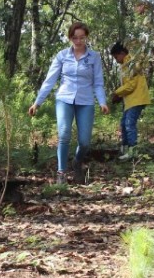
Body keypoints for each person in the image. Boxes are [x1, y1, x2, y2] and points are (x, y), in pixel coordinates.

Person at [29, 22, 109, 184]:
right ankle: (61, 173)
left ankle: (77, 161)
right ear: (70, 38)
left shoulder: (94, 57)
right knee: (64, 134)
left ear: (86, 37)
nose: (78, 41)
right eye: (75, 38)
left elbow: (98, 82)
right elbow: (49, 81)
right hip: (64, 99)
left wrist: (102, 102)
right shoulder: (62, 55)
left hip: (86, 101)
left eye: (82, 38)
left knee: (85, 142)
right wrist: (38, 102)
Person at [109, 43, 151, 161]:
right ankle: (125, 149)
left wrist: (117, 93)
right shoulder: (125, 65)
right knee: (123, 124)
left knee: (129, 124)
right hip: (130, 100)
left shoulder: (131, 63)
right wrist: (120, 95)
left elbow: (131, 85)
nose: (116, 61)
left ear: (122, 53)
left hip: (137, 99)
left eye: (116, 57)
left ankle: (133, 152)